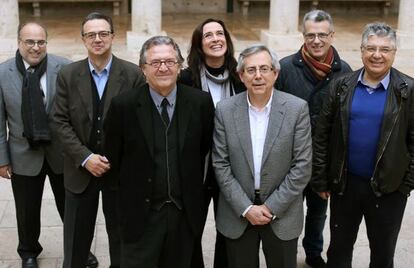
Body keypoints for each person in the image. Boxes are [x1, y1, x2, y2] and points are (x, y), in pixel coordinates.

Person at [104, 35, 215, 268]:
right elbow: (113, 160)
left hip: (184, 214)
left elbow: (204, 148)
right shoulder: (123, 106)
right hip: (140, 216)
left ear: (179, 66)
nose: (163, 67)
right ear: (143, 68)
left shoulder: (201, 103)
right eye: (155, 63)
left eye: (170, 61)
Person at [312, 22, 414, 268]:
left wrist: (405, 184)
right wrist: (321, 179)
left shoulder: (408, 90)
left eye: (384, 49)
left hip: (388, 189)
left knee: (382, 253)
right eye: (370, 48)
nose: (377, 55)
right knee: (338, 251)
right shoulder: (342, 85)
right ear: (361, 50)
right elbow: (322, 134)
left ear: (394, 53)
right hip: (345, 186)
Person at [0, 22, 100, 268]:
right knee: (26, 211)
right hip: (23, 153)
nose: (36, 47)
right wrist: (2, 158)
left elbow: (78, 112)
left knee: (71, 207)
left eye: (41, 42)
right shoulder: (2, 74)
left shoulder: (64, 67)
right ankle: (29, 253)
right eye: (30, 42)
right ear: (19, 42)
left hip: (62, 153)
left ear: (46, 42)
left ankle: (79, 250)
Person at [51, 12, 144, 268]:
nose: (97, 39)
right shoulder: (68, 75)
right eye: (91, 34)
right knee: (75, 244)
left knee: (122, 241)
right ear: (83, 39)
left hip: (119, 174)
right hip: (79, 172)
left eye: (103, 33)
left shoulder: (133, 74)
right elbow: (59, 122)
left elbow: (139, 126)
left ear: (113, 37)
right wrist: (85, 157)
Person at [212, 44, 312, 268]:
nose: (258, 76)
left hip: (282, 213)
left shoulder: (297, 109)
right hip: (238, 213)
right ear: (241, 75)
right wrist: (247, 208)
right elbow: (220, 164)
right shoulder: (225, 110)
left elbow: (302, 166)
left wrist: (271, 207)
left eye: (264, 69)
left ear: (275, 74)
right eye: (251, 70)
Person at [275, 9, 352, 268]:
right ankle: (284, 252)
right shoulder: (285, 68)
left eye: (322, 35)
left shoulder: (345, 71)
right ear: (303, 36)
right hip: (289, 156)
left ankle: (313, 253)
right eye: (310, 35)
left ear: (332, 35)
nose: (316, 40)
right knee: (287, 210)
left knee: (318, 212)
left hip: (323, 158)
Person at [179, 18, 246, 268]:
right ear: (200, 44)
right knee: (190, 228)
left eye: (220, 34)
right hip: (197, 168)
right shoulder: (185, 80)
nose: (215, 39)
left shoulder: (242, 77)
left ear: (227, 41)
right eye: (208, 35)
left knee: (229, 229)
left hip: (233, 167)